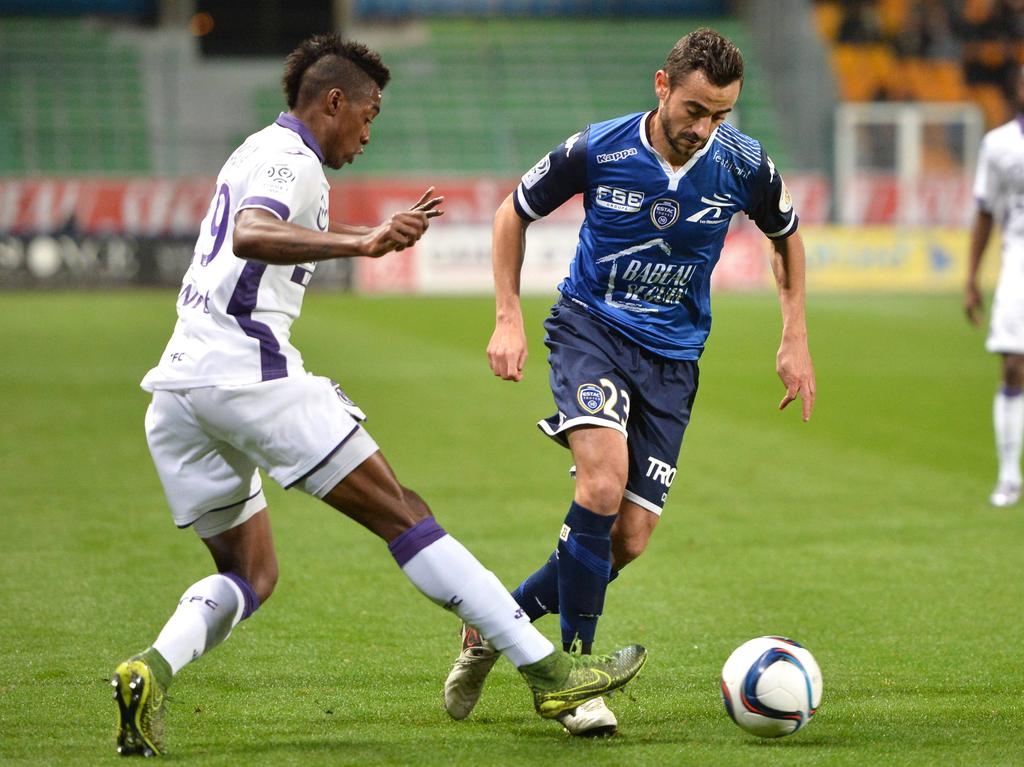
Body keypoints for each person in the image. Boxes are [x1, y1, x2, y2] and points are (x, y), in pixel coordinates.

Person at [110, 34, 646, 758]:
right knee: (407, 514)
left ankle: (150, 669)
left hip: (177, 395)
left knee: (250, 572)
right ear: (333, 101)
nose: (368, 132)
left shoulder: (253, 150)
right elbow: (250, 232)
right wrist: (363, 242)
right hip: (247, 376)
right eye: (368, 114)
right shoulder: (288, 157)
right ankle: (550, 671)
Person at [444, 27, 815, 737]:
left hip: (674, 362)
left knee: (632, 537)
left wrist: (794, 334)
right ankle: (576, 680)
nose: (705, 129)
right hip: (591, 331)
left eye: (721, 115)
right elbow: (511, 214)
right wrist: (507, 318)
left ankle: (496, 624)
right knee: (602, 484)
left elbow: (787, 235)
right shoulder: (600, 148)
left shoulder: (742, 165)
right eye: (696, 110)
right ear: (661, 87)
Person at [965, 66, 1024, 508]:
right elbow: (985, 212)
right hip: (1017, 261)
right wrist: (970, 277)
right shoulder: (999, 144)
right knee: (1013, 366)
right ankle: (1008, 475)